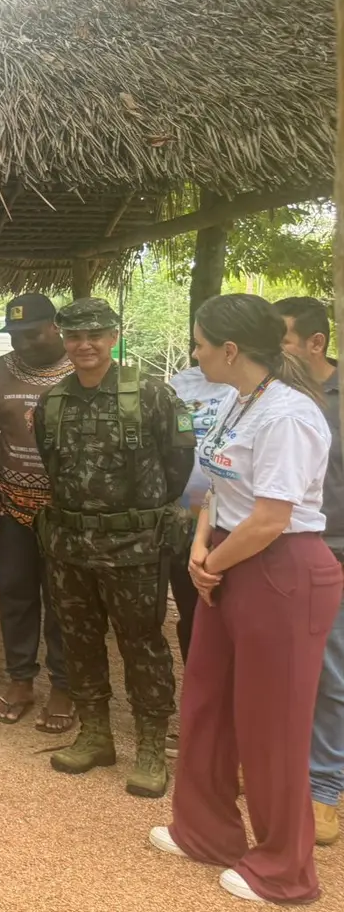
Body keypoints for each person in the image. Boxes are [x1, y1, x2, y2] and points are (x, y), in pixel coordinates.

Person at [151, 294, 341, 904]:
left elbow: (272, 517)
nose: (195, 354)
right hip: (228, 557)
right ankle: (206, 830)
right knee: (206, 700)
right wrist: (200, 546)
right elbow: (216, 484)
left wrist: (211, 564)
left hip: (280, 569)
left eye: (200, 344)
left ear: (230, 350)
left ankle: (285, 870)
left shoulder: (288, 414)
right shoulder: (241, 399)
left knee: (272, 724)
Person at [33, 297, 194, 799]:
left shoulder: (151, 394)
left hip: (135, 546)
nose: (85, 345)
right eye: (75, 336)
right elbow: (50, 462)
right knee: (78, 640)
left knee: (142, 643)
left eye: (95, 335)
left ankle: (150, 746)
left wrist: (143, 514)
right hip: (70, 545)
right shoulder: (52, 401)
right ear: (64, 339)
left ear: (114, 337)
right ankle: (95, 735)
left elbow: (178, 462)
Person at [0, 294, 76, 734]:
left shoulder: (80, 370)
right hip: (11, 505)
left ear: (55, 327)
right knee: (15, 592)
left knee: (63, 599)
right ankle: (20, 678)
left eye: (33, 334)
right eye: (15, 336)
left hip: (67, 510)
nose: (24, 344)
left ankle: (64, 685)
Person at [274, 296, 344, 848]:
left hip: (334, 549)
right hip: (275, 547)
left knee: (331, 673)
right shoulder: (269, 394)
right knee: (276, 662)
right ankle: (275, 763)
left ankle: (323, 788)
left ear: (315, 343)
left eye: (281, 341)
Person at [168, 359, 235, 664]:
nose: (196, 351)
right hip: (185, 522)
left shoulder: (253, 391)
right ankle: (196, 683)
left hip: (235, 527)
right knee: (192, 612)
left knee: (231, 616)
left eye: (202, 344)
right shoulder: (181, 384)